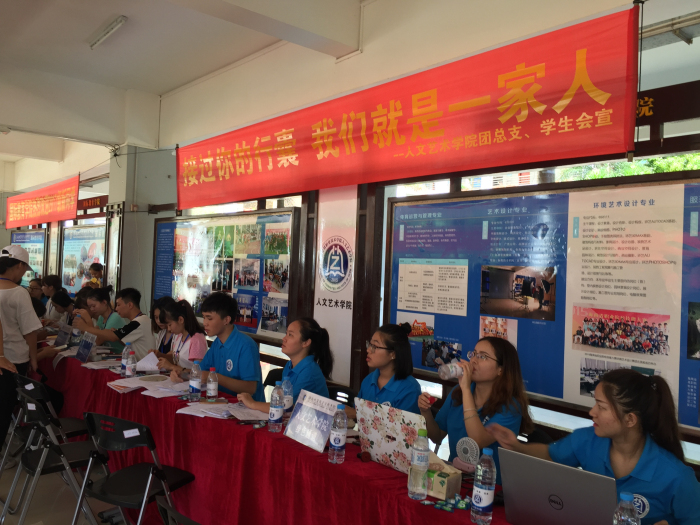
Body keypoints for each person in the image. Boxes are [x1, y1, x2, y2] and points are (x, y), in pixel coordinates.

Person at [488, 370, 700, 525]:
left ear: (630, 419)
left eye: (602, 407)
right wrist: (516, 446)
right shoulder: (588, 440)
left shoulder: (677, 478)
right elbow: (550, 455)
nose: (592, 412)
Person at [418, 337, 532, 485]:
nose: (474, 361)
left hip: (490, 487)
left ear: (501, 369)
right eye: (474, 354)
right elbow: (436, 436)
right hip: (455, 479)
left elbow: (478, 440)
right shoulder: (457, 393)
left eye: (483, 357)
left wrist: (465, 389)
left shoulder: (510, 406)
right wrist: (425, 411)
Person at [238, 318, 333, 411]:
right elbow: (281, 402)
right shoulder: (290, 365)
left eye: (290, 335)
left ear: (306, 343)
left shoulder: (309, 372)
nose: (284, 339)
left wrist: (252, 403)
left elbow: (285, 407)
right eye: (286, 333)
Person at [0, 246, 42, 448]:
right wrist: (34, 358)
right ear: (18, 265)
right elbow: (29, 331)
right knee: (4, 409)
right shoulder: (19, 293)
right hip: (14, 360)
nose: (23, 274)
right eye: (24, 269)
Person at [346, 323, 422, 418]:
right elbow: (358, 414)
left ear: (393, 354)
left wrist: (356, 414)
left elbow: (399, 425)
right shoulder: (368, 380)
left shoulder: (409, 389)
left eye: (375, 346)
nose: (368, 350)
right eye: (370, 344)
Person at [198, 293, 264, 401]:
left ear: (226, 320)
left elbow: (250, 388)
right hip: (221, 403)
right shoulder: (217, 343)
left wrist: (215, 377)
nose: (205, 323)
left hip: (246, 408)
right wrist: (181, 372)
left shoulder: (246, 345)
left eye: (209, 318)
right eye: (204, 317)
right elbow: (202, 372)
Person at [73, 288, 155, 360]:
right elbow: (123, 341)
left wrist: (86, 328)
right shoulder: (139, 320)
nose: (116, 308)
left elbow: (112, 337)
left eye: (118, 305)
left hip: (145, 367)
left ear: (130, 305)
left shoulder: (138, 322)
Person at [156, 299, 208, 381]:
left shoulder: (196, 340)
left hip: (193, 385)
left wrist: (171, 367)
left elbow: (199, 373)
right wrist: (162, 357)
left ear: (180, 320)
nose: (168, 329)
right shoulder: (179, 336)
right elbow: (176, 357)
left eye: (170, 325)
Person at [72, 285, 126, 354]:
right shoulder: (101, 317)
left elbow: (97, 342)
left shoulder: (115, 317)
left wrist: (88, 320)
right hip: (109, 354)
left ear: (104, 302)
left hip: (120, 355)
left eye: (93, 306)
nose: (91, 309)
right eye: (90, 307)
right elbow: (93, 336)